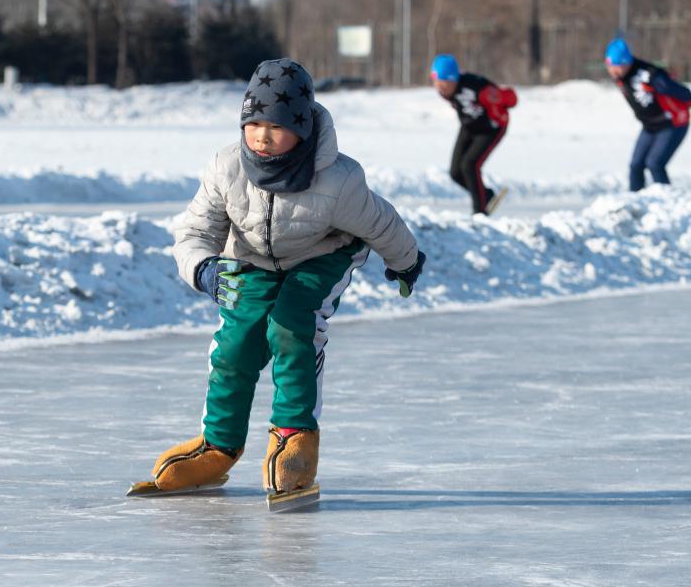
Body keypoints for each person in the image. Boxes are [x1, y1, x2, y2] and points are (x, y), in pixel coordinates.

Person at [151, 58, 427, 496]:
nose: (262, 135)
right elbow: (195, 230)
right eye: (253, 123)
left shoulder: (338, 178)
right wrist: (203, 268)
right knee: (236, 344)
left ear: (301, 127)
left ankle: (295, 437)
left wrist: (406, 261)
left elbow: (380, 222)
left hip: (322, 256)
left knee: (291, 325)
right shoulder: (226, 167)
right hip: (251, 260)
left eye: (276, 125)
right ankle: (218, 446)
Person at [604, 37, 691, 192]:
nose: (614, 71)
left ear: (628, 63)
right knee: (636, 165)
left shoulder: (649, 75)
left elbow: (675, 89)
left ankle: (667, 202)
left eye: (618, 66)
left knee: (655, 163)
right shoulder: (620, 75)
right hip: (650, 125)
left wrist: (690, 99)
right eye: (610, 66)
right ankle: (635, 201)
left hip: (672, 124)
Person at [430, 54, 518, 215]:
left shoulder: (476, 86)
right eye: (435, 83)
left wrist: (502, 98)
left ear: (454, 80)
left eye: (443, 84)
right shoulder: (447, 91)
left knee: (469, 165)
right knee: (455, 172)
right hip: (469, 126)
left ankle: (480, 211)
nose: (440, 88)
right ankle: (486, 195)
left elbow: (511, 99)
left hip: (492, 128)